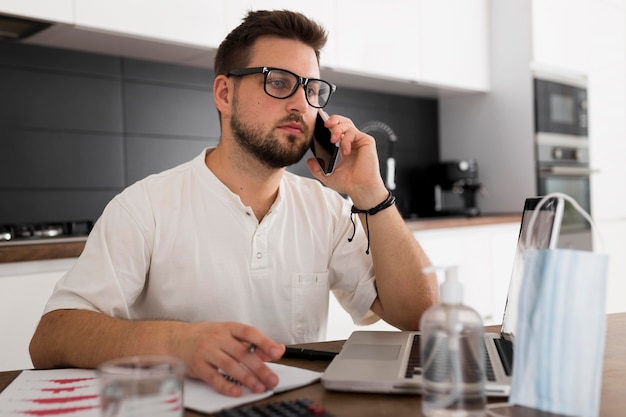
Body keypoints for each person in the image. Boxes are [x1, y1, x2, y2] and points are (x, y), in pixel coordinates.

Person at [29, 10, 438, 397]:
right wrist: (176, 342)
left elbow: (419, 316)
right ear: (225, 93)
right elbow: (52, 336)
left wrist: (370, 192)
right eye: (278, 81)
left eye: (312, 90)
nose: (302, 104)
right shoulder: (145, 207)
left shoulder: (326, 210)